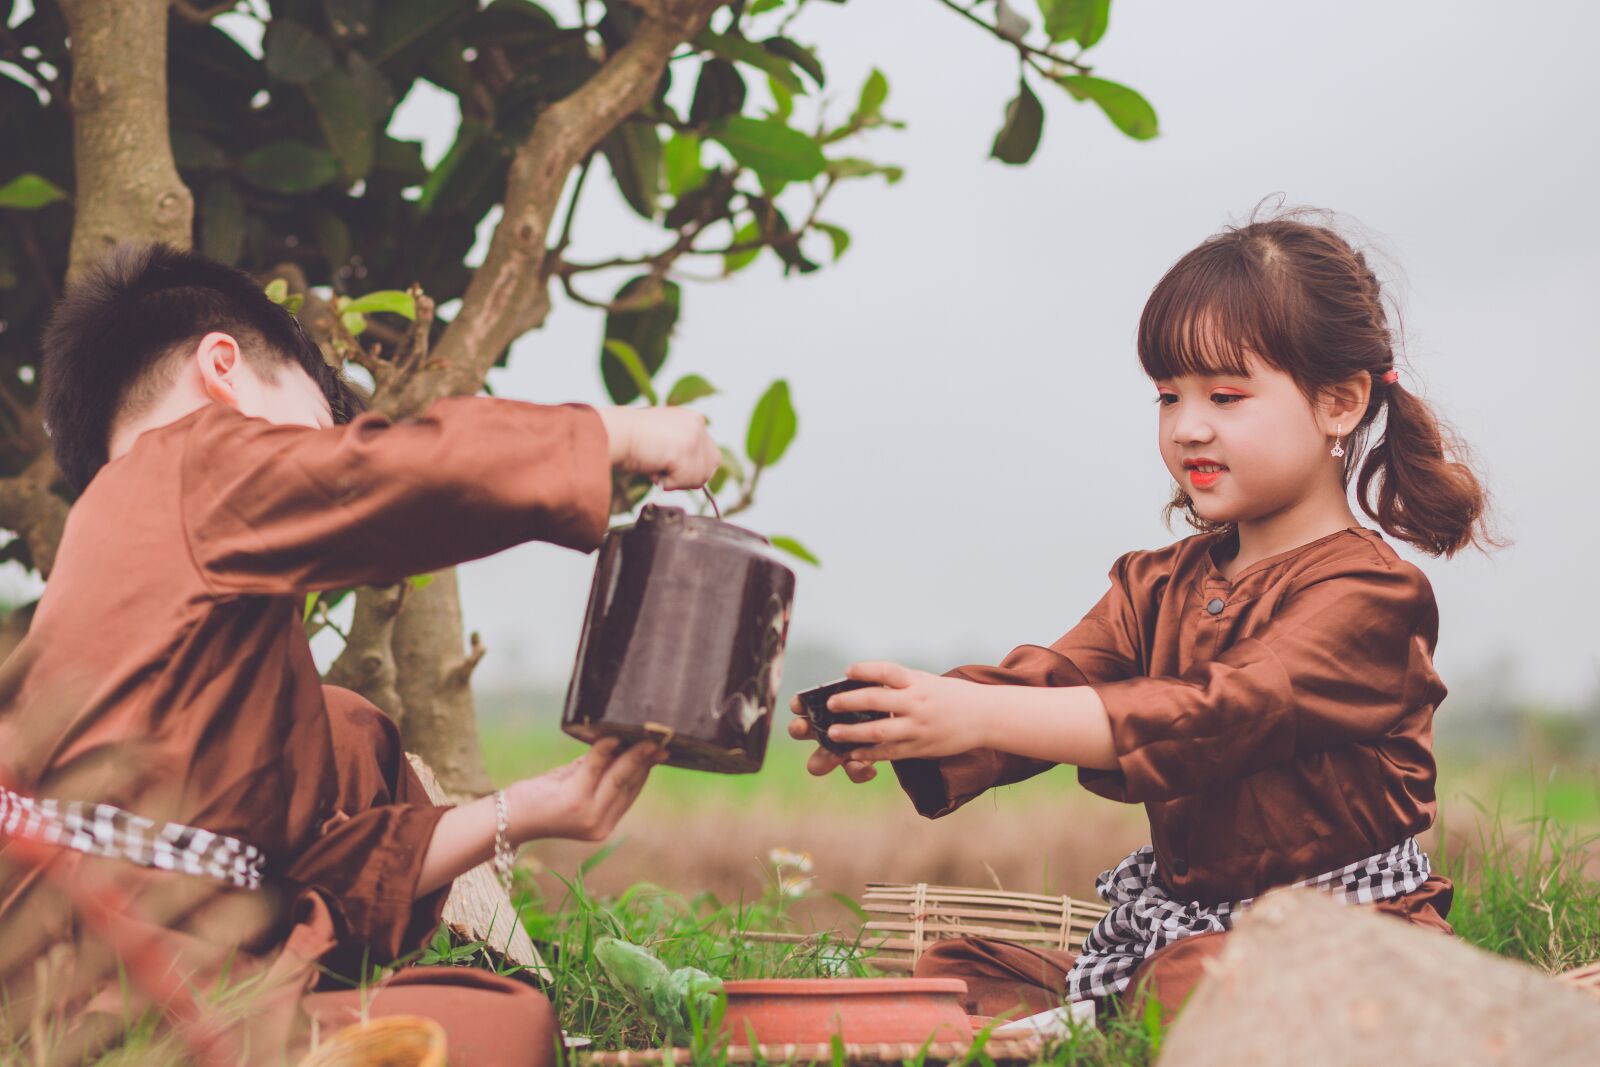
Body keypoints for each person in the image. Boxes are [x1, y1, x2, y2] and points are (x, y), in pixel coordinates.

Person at [0, 242, 721, 1064]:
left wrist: (529, 810)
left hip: (152, 983)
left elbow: (298, 878)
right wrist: (618, 431)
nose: (329, 448)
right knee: (489, 1029)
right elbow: (380, 478)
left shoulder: (152, 570)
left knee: (348, 736)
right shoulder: (183, 461)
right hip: (93, 997)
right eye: (319, 424)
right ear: (223, 367)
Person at [790, 211, 1495, 1025]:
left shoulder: (1371, 595)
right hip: (1187, 935)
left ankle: (1106, 1018)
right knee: (957, 971)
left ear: (1339, 402)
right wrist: (910, 717)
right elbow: (1050, 682)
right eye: (1169, 395)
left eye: (1226, 395)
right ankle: (1102, 1013)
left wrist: (971, 710)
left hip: (1347, 943)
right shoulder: (1157, 583)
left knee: (1197, 979)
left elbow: (1213, 713)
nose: (1188, 425)